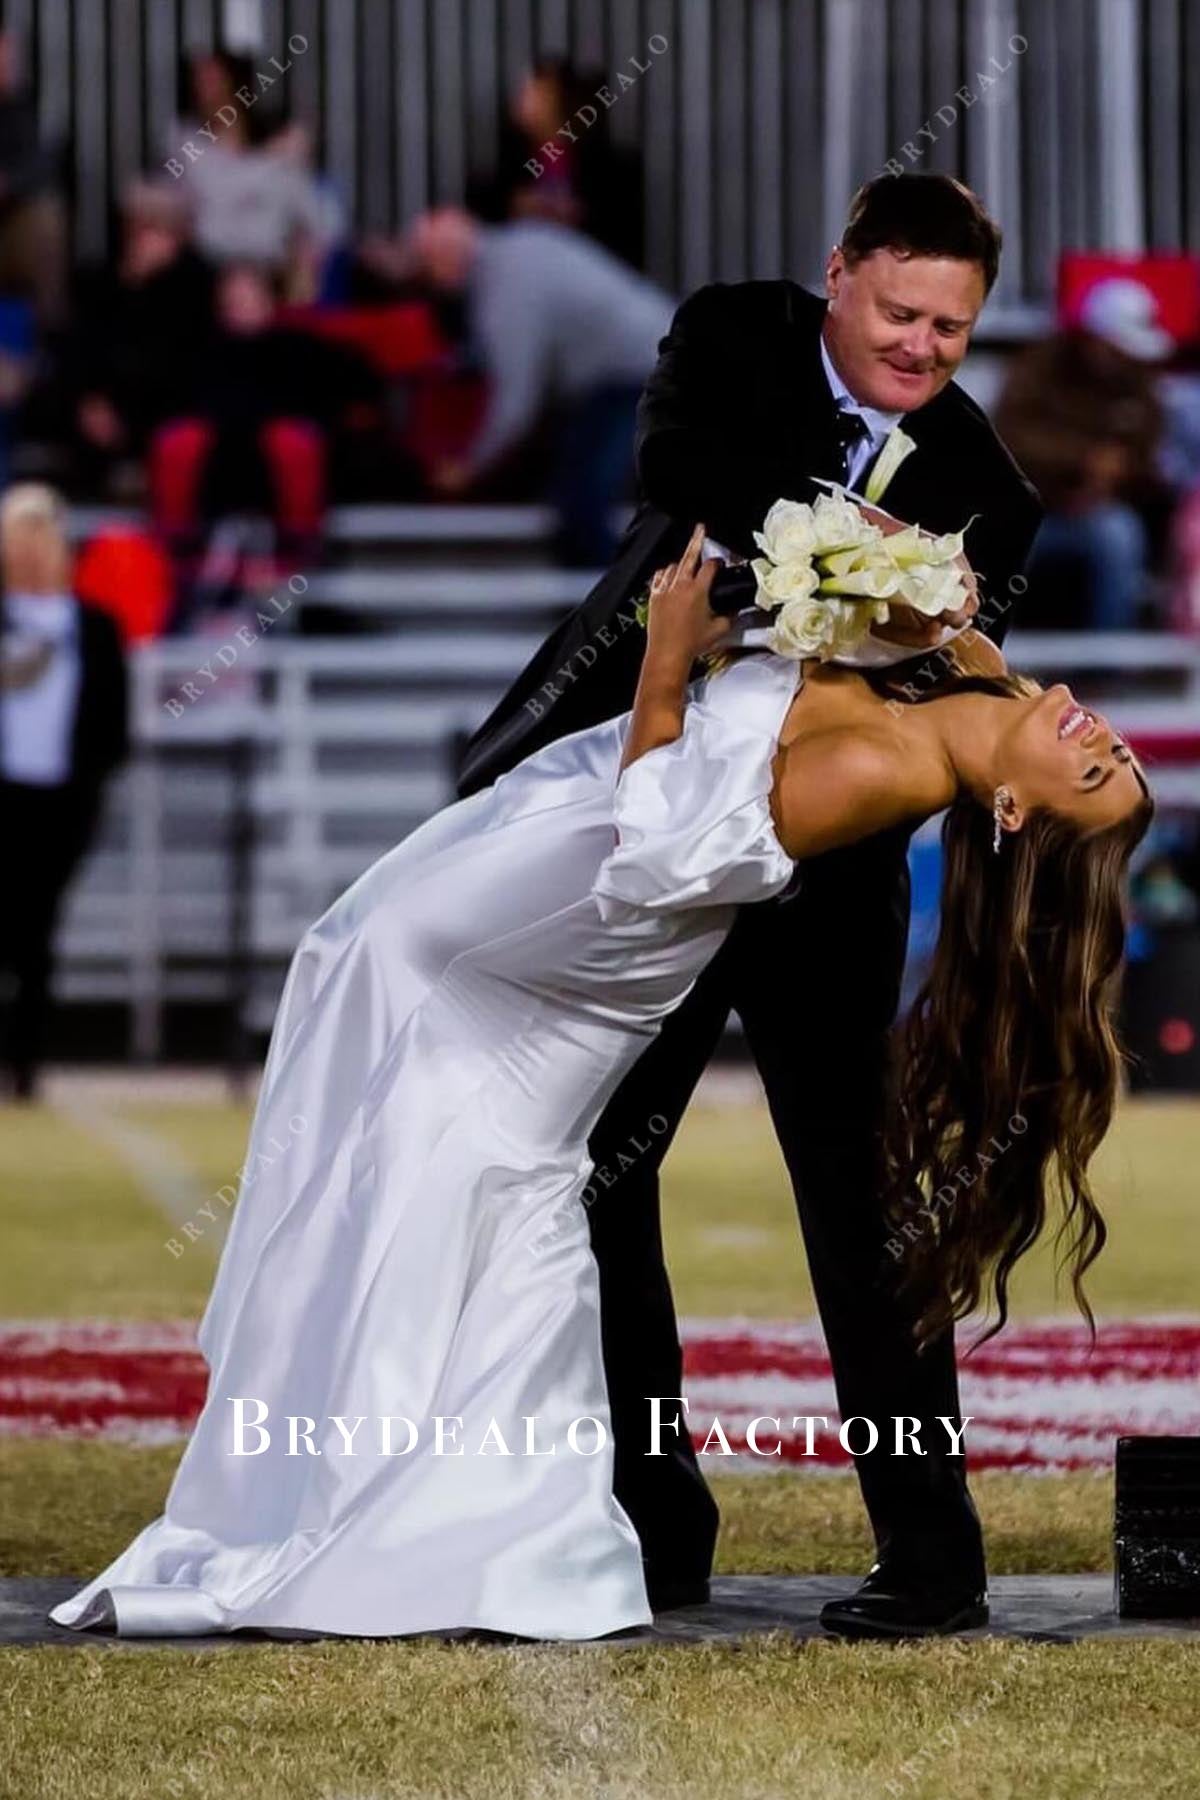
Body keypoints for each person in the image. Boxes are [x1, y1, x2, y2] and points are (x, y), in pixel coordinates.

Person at [48, 524, 1149, 1641]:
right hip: (540, 848)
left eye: (1095, 772)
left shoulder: (884, 772)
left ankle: (451, 1526)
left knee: (465, 1151)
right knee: (429, 1109)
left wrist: (667, 654)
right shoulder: (974, 668)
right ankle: (499, 1514)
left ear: (1013, 815)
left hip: (581, 910)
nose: (1102, 740)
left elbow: (656, 853)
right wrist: (872, 572)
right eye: (1118, 755)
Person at [457, 173, 1048, 1639]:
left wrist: (902, 599)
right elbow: (684, 467)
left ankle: (932, 1553)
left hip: (822, 868)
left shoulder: (992, 487)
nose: (921, 347)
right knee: (601, 1173)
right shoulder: (734, 332)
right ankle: (650, 1522)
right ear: (839, 271)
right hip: (645, 822)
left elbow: (943, 674)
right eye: (900, 311)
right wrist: (876, 561)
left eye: (952, 329)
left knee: (864, 1198)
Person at [404, 208, 674, 567]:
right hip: (642, 366)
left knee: (581, 502)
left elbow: (516, 401)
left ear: (445, 257)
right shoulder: (517, 247)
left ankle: (623, 597)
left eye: (426, 266)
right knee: (581, 494)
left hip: (638, 374)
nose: (428, 280)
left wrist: (469, 467)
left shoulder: (503, 289)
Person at [0, 485, 128, 1102]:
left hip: (59, 803)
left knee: (36, 932)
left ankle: (25, 1065)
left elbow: (113, 722)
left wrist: (88, 785)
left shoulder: (94, 628)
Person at [467, 56, 646, 268]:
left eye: (536, 90)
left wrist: (575, 213)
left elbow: (622, 228)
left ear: (561, 97)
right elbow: (483, 221)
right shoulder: (508, 162)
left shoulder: (608, 167)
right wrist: (517, 206)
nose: (521, 97)